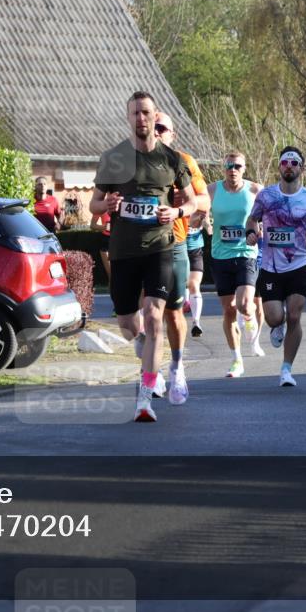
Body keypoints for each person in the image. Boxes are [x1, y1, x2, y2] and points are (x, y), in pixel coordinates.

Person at [90, 92, 196, 423]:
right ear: (128, 117)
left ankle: (145, 397)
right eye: (135, 113)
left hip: (160, 249)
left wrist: (176, 210)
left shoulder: (172, 160)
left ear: (154, 116)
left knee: (153, 316)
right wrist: (105, 207)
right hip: (123, 253)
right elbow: (93, 204)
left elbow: (192, 202)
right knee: (128, 323)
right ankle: (141, 344)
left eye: (146, 112)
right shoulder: (113, 158)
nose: (141, 118)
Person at [245, 146, 306, 387]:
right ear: (279, 167)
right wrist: (251, 232)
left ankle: (286, 369)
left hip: (299, 264)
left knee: (294, 315)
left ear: (301, 168)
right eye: (285, 163)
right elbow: (253, 218)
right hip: (271, 266)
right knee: (274, 317)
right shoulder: (266, 196)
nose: (289, 166)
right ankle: (276, 326)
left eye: (294, 163)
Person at [153, 112, 210, 405]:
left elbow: (204, 200)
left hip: (174, 242)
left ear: (172, 135)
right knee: (147, 314)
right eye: (152, 127)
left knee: (173, 313)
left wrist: (185, 204)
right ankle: (152, 373)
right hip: (141, 248)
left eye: (162, 128)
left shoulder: (184, 162)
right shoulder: (131, 162)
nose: (156, 131)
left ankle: (176, 367)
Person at [208, 151, 264, 378]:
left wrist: (258, 231)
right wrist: (198, 218)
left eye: (237, 166)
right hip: (220, 255)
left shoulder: (255, 190)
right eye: (229, 166)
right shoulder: (212, 190)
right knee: (228, 311)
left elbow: (267, 216)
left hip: (246, 253)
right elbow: (198, 206)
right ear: (224, 168)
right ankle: (236, 360)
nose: (233, 170)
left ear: (244, 168)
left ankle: (249, 318)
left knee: (243, 305)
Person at [185, 209, 208, 337]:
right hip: (176, 248)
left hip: (195, 249)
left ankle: (196, 322)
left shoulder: (201, 202)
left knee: (194, 284)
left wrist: (206, 223)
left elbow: (205, 223)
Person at [90, 211, 112, 281]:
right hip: (106, 242)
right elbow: (92, 225)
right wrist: (104, 227)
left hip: (121, 242)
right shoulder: (102, 207)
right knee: (111, 275)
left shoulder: (123, 204)